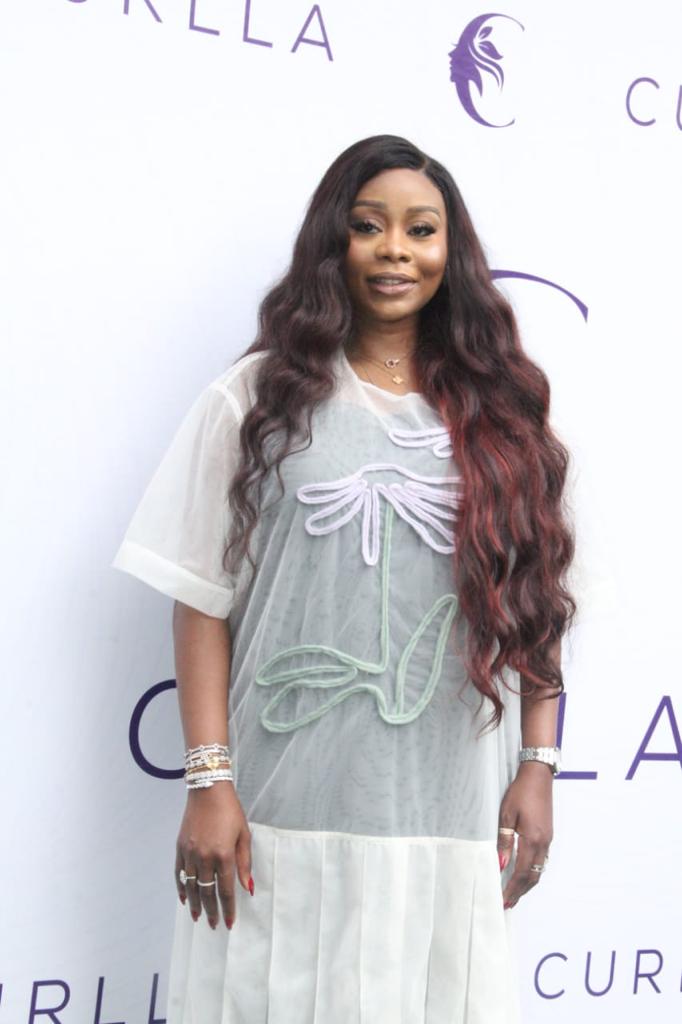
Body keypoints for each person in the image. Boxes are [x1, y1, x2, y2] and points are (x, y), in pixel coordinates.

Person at [111, 133, 576, 1024]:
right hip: (277, 813)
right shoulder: (257, 400)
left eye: (421, 230)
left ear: (451, 251)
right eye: (369, 226)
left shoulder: (504, 415)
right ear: (335, 240)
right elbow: (200, 597)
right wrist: (209, 781)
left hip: (445, 813)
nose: (396, 249)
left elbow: (538, 600)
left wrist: (538, 765)